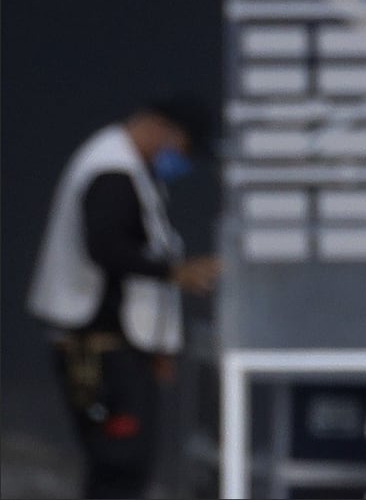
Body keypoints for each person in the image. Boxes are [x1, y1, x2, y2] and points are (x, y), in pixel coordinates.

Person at [26, 96, 221, 499]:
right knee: (120, 462)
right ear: (162, 130)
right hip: (101, 347)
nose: (180, 162)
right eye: (182, 150)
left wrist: (160, 345)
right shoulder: (111, 171)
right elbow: (107, 247)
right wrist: (174, 274)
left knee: (123, 466)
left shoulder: (131, 169)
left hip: (122, 346)